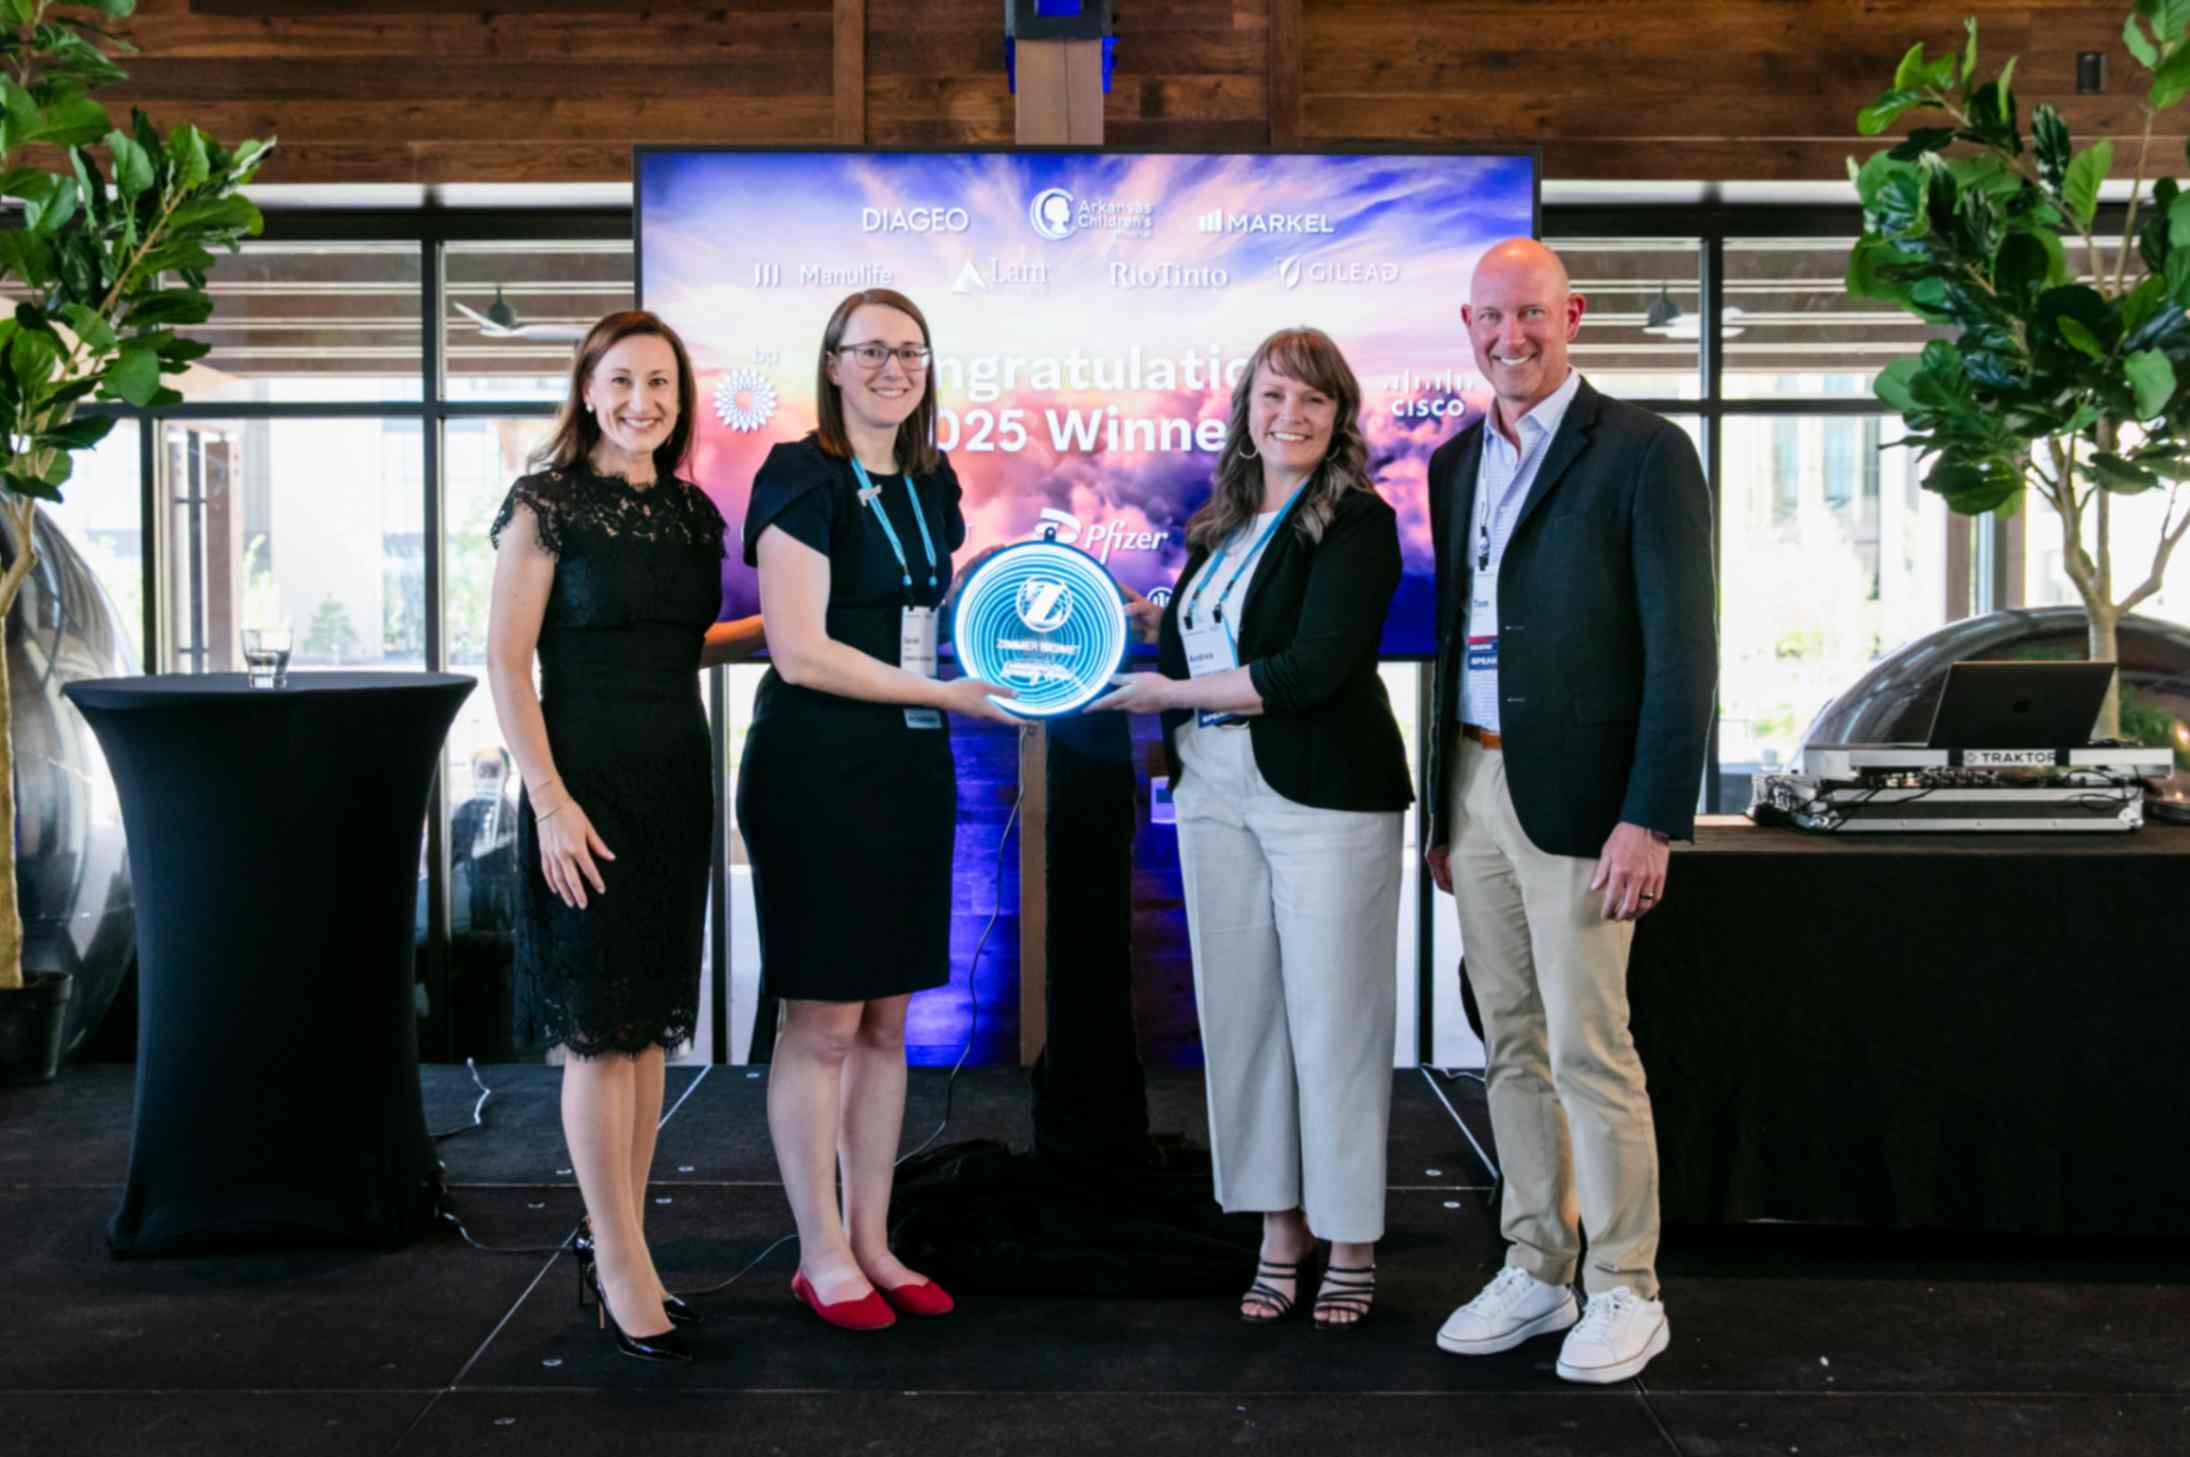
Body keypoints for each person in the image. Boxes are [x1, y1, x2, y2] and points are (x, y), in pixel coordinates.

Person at [1422, 239, 1715, 1383]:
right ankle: (1537, 1264)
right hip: (1476, 782)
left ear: (1573, 315)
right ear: (1469, 323)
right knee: (1509, 1043)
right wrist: (1444, 810)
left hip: (1590, 803)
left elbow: (1683, 650)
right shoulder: (1454, 461)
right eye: (1493, 319)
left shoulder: (1644, 452)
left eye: (1533, 316)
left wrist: (1652, 815)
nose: (1512, 337)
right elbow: (1453, 640)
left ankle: (1626, 1286)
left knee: (1592, 1047)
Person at [1091, 327, 1411, 1330]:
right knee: (1243, 1017)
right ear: (1246, 411)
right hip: (1212, 786)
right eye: (1274, 396)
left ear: (1339, 415)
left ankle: (1351, 1238)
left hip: (1325, 794)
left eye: (1314, 400)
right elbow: (1215, 632)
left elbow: (1311, 667)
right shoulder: (1218, 529)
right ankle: (1280, 1231)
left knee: (1335, 1022)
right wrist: (1144, 621)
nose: (1292, 415)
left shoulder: (1358, 522)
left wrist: (1170, 686)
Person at [736, 289, 1017, 1332]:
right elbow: (800, 649)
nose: (894, 367)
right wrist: (947, 693)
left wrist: (1057, 602)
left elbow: (923, 611)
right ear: (835, 365)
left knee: (890, 1016)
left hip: (907, 768)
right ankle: (818, 1250)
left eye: (912, 351)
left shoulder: (932, 482)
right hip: (816, 767)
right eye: (872, 350)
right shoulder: (797, 475)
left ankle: (872, 1239)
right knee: (822, 1020)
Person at [486, 309, 763, 1363]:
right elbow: (510, 665)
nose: (641, 401)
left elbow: (684, 642)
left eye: (659, 383)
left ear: (679, 397)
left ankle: (631, 1248)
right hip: (583, 791)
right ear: (587, 389)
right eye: (621, 381)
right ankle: (614, 1260)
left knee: (646, 1031)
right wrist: (550, 802)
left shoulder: (691, 513)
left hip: (673, 786)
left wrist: (803, 625)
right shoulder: (544, 503)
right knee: (600, 1035)